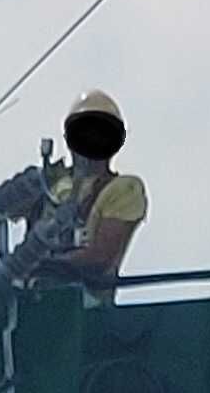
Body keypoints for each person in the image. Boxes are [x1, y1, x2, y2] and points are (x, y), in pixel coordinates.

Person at [8, 89, 148, 291]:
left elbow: (100, 256)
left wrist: (43, 264)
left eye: (99, 132)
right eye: (82, 131)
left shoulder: (123, 189)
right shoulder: (53, 184)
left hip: (82, 305)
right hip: (29, 297)